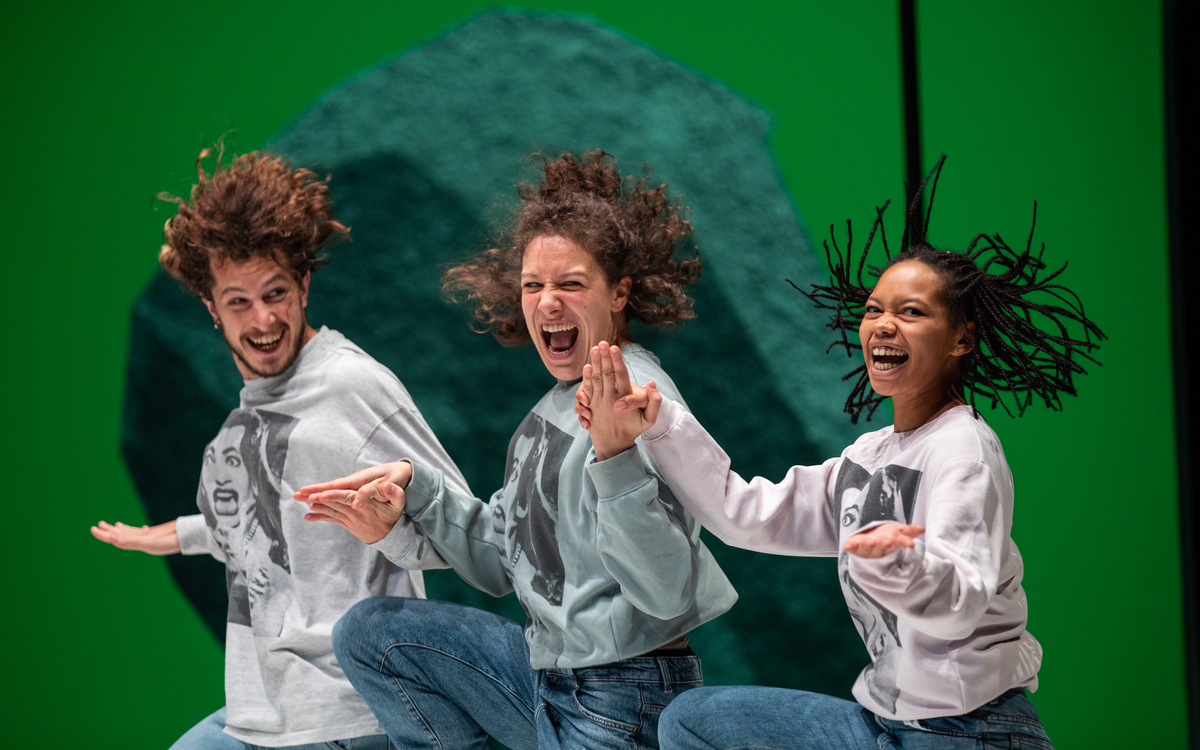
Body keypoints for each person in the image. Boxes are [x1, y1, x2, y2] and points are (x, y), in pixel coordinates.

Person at [574, 159, 1103, 749]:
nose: (883, 325)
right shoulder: (868, 457)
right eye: (874, 309)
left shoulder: (964, 448)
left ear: (963, 338)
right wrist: (659, 422)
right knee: (692, 719)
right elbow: (744, 514)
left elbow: (960, 600)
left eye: (911, 312)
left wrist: (897, 562)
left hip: (970, 731)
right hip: (885, 725)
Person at [295, 151, 738, 750]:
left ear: (619, 293)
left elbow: (667, 592)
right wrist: (413, 493)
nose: (548, 302)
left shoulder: (641, 403)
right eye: (534, 285)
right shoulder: (543, 417)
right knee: (373, 633)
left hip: (626, 696)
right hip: (545, 681)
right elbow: (504, 563)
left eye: (570, 284)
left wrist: (616, 458)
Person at [91, 143, 468, 749]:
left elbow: (464, 525)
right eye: (238, 302)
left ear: (304, 284)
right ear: (212, 308)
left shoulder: (349, 383)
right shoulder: (248, 416)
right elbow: (267, 526)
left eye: (275, 294)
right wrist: (177, 535)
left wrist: (391, 526)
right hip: (265, 712)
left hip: (348, 715)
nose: (263, 320)